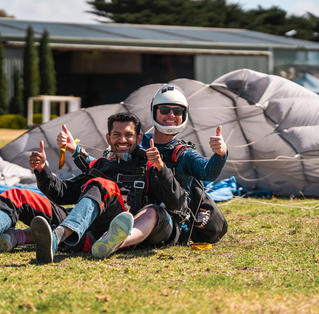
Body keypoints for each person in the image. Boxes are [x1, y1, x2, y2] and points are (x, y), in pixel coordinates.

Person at [0, 112, 186, 263]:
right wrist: (43, 170)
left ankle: (55, 238)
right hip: (82, 231)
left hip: (114, 232)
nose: (123, 140)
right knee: (17, 194)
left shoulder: (150, 165)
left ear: (138, 138)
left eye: (129, 135)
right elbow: (63, 192)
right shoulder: (100, 166)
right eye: (117, 135)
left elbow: (176, 204)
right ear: (108, 138)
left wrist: (162, 169)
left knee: (102, 185)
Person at [59, 84, 228, 258]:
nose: (171, 115)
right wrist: (75, 150)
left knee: (152, 211)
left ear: (183, 115)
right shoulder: (137, 141)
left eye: (177, 112)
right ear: (154, 111)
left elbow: (208, 173)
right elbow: (106, 167)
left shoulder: (185, 155)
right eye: (164, 109)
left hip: (165, 221)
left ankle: (117, 242)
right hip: (129, 211)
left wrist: (220, 154)